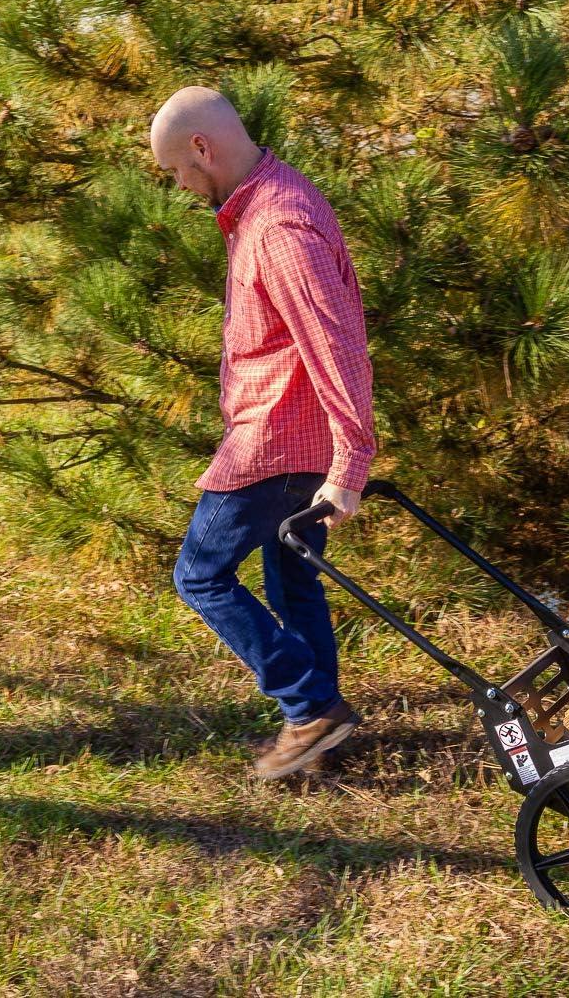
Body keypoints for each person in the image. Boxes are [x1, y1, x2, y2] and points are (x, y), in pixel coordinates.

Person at [150, 86, 376, 779]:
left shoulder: (277, 226)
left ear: (201, 147)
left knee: (201, 574)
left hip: (276, 442)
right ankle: (318, 732)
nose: (181, 186)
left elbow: (333, 343)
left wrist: (350, 462)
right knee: (293, 578)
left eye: (177, 171)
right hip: (294, 436)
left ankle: (308, 707)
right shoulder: (274, 196)